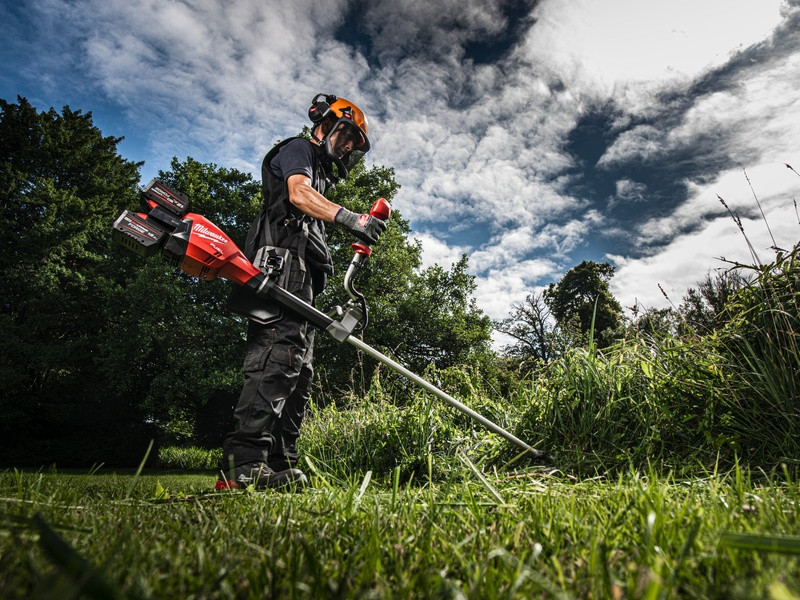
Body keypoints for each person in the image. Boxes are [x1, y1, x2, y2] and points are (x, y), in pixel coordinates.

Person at [216, 94, 386, 491]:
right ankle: (243, 466)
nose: (348, 147)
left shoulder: (321, 175)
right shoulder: (299, 151)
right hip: (281, 268)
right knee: (277, 356)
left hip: (302, 280)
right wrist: (351, 218)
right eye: (346, 136)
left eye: (354, 144)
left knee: (299, 372)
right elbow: (298, 194)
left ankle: (281, 465)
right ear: (325, 125)